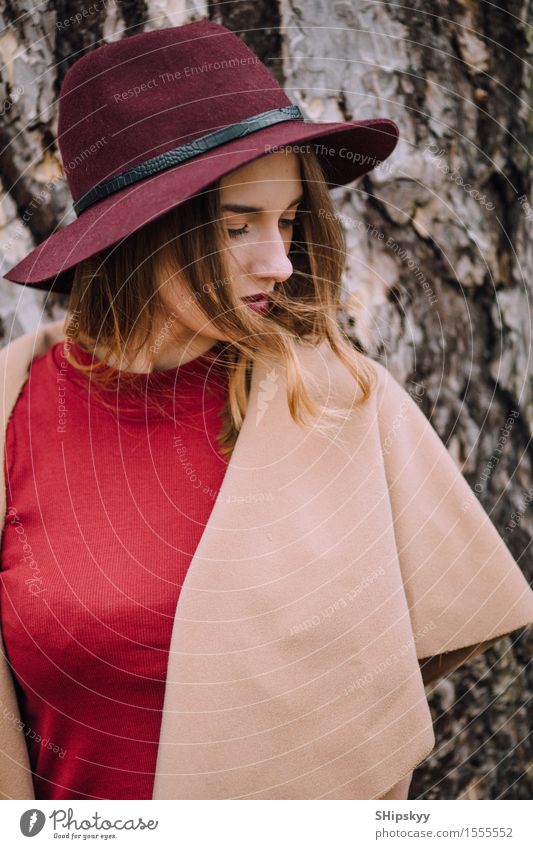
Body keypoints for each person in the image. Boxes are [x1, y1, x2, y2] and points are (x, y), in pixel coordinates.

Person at [1, 19, 532, 803]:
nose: (280, 262)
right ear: (135, 233)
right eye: (237, 224)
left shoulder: (346, 407)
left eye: (286, 221)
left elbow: (398, 665)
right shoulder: (15, 407)